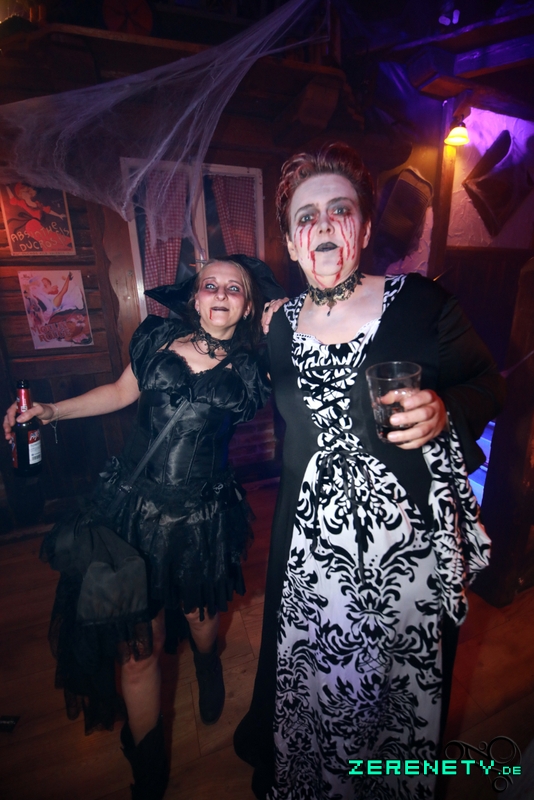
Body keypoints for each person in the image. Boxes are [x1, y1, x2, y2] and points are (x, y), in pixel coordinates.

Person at [234, 143, 506, 800]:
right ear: (291, 244)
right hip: (309, 560)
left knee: (394, 698)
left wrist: (446, 410)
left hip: (402, 558)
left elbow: (487, 382)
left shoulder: (421, 305)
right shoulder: (278, 327)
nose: (324, 224)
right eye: (306, 217)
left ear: (362, 228)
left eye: (340, 209)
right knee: (318, 689)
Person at [3, 255, 285, 800]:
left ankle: (207, 663)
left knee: (201, 620)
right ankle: (149, 774)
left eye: (234, 288)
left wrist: (285, 324)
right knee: (139, 647)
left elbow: (312, 385)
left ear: (248, 305)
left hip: (201, 519)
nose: (220, 294)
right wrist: (51, 411)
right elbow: (117, 393)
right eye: (210, 285)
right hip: (134, 512)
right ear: (195, 297)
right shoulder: (157, 339)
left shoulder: (255, 368)